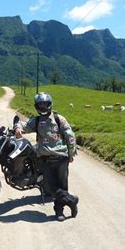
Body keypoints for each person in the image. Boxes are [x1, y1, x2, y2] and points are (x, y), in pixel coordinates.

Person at [14, 92, 79, 221]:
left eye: (45, 104)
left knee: (62, 186)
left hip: (61, 158)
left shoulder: (59, 119)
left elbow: (70, 136)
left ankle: (59, 212)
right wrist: (17, 128)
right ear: (36, 106)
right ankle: (71, 200)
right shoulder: (37, 121)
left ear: (50, 105)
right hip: (45, 159)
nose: (43, 107)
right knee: (49, 187)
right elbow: (24, 125)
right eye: (40, 104)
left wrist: (71, 153)